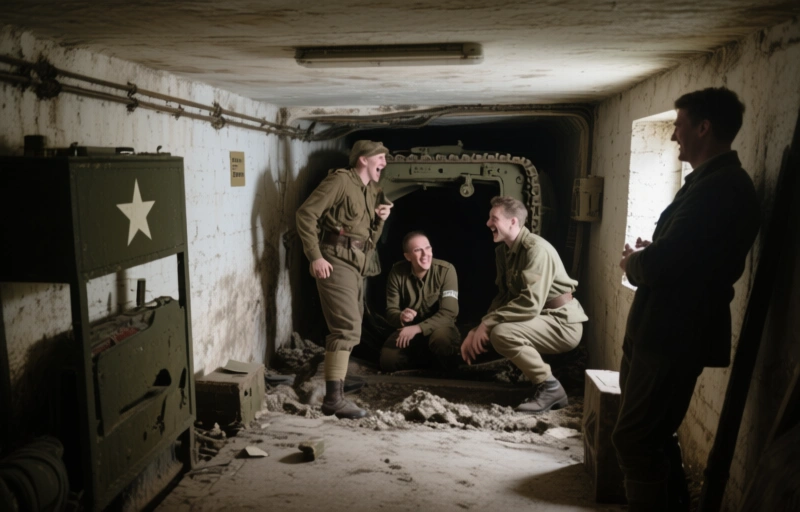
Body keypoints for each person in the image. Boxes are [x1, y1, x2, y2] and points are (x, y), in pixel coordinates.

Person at [614, 87, 760, 511]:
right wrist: (652, 253)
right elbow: (683, 252)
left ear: (704, 127)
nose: (675, 136)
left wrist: (635, 262)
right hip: (661, 329)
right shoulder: (709, 183)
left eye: (678, 126)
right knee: (650, 437)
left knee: (635, 439)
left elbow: (665, 266)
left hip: (674, 334)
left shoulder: (721, 190)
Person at [460, 196, 588, 413]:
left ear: (513, 222)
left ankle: (550, 387)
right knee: (492, 332)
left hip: (562, 323)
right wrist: (477, 328)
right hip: (542, 318)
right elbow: (504, 297)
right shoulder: (504, 252)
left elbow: (530, 303)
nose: (488, 223)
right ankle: (537, 382)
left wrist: (488, 324)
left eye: (494, 218)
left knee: (502, 333)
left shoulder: (536, 249)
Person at [296, 140, 393, 419]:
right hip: (335, 259)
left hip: (355, 263)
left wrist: (381, 218)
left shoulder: (371, 189)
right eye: (380, 158)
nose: (384, 164)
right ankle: (333, 400)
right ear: (363, 159)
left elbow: (367, 237)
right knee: (346, 328)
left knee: (353, 325)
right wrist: (315, 256)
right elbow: (306, 214)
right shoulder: (341, 181)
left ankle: (335, 385)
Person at [381, 231, 461, 372]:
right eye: (418, 250)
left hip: (440, 328)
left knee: (442, 341)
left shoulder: (446, 270)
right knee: (388, 360)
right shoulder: (397, 272)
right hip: (409, 330)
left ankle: (443, 373)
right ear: (408, 256)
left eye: (428, 248)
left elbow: (449, 313)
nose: (425, 255)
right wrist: (401, 316)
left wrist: (417, 328)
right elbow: (391, 310)